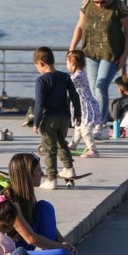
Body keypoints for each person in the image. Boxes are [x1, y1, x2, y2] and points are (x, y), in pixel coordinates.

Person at [69, 0, 128, 138]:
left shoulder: (118, 6)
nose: (100, 5)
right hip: (90, 52)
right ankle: (93, 120)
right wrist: (72, 48)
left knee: (100, 86)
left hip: (111, 53)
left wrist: (124, 55)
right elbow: (79, 26)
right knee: (91, 88)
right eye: (97, 2)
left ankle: (100, 124)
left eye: (103, 2)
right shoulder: (87, 4)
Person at [6, 153, 81, 255]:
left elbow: (51, 227)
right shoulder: (10, 200)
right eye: (38, 170)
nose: (42, 173)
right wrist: (62, 248)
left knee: (45, 207)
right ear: (27, 174)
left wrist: (66, 245)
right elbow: (30, 238)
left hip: (23, 250)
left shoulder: (27, 195)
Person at [33, 47, 80, 189]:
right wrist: (77, 113)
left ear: (41, 63)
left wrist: (36, 122)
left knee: (49, 149)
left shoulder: (41, 80)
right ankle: (69, 168)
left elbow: (39, 103)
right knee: (62, 143)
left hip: (49, 119)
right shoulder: (65, 77)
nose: (37, 69)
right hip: (64, 118)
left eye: (36, 66)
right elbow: (74, 96)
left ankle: (51, 179)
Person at [65, 50, 101, 157]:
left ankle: (93, 150)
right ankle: (72, 146)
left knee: (85, 129)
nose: (66, 65)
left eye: (67, 62)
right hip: (82, 105)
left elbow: (68, 82)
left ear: (73, 63)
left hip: (86, 106)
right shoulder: (80, 73)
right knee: (78, 128)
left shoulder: (78, 76)